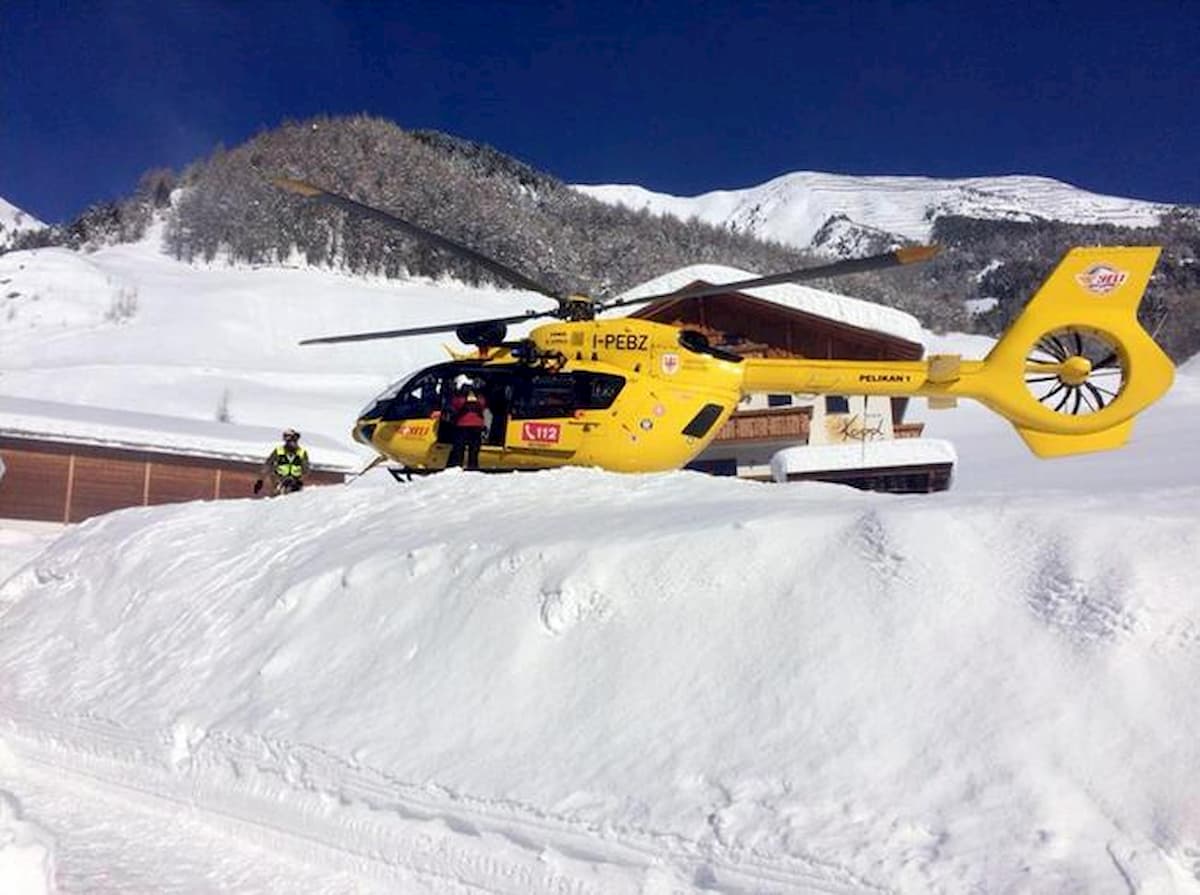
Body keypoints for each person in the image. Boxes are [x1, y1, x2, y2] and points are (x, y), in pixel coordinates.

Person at [255, 428, 310, 495]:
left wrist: (299, 481)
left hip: (295, 482)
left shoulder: (302, 453)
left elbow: (306, 470)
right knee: (277, 498)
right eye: (287, 438)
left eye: (291, 438)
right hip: (279, 480)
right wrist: (260, 481)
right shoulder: (278, 451)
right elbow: (268, 465)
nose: (290, 442)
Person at [447, 382, 487, 470]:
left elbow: (482, 405)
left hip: (468, 425)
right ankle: (466, 466)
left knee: (467, 449)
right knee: (465, 449)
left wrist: (469, 398)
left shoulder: (477, 396)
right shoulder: (465, 396)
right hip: (468, 425)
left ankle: (465, 467)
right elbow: (456, 405)